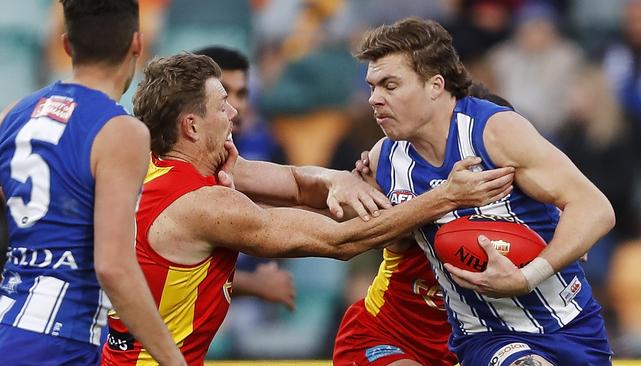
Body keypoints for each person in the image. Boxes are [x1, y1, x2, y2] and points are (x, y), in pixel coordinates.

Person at [100, 52, 515, 365]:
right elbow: (341, 241)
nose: (234, 113)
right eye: (222, 104)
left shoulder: (166, 169)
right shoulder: (204, 202)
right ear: (191, 127)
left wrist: (342, 181)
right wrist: (447, 196)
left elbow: (298, 183)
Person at [353, 17, 615, 366]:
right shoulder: (383, 160)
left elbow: (596, 209)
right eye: (372, 87)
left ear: (435, 85)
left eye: (389, 85)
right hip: (485, 337)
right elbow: (373, 240)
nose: (374, 99)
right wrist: (342, 184)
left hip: (569, 324)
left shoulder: (495, 132)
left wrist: (527, 275)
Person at [0, 1, 185, 365]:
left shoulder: (15, 113)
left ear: (67, 44)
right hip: (60, 340)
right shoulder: (121, 130)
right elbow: (113, 266)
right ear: (137, 44)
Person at [333, 88, 514, 366]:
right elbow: (393, 236)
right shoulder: (407, 184)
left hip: (474, 347)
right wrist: (377, 183)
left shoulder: (529, 208)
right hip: (387, 336)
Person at [193, 45, 295, 310]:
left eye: (242, 93)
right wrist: (255, 285)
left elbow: (291, 198)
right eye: (225, 93)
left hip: (242, 288)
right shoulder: (178, 160)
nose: (236, 105)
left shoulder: (266, 145)